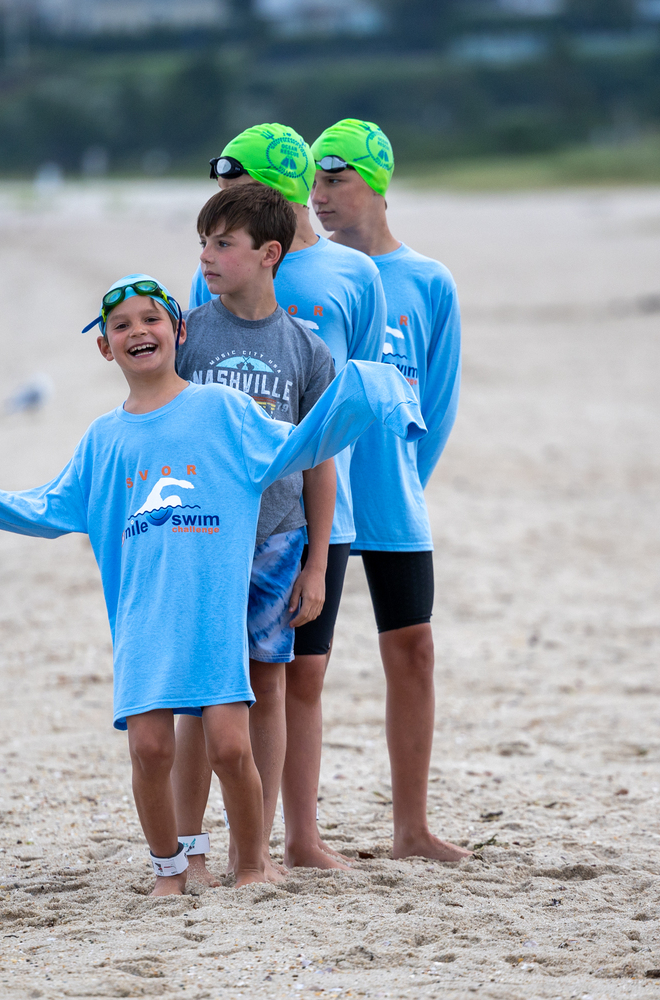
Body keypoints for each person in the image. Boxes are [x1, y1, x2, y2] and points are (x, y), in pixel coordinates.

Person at [0, 275, 424, 895]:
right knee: (149, 748)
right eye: (120, 326)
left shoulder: (223, 411)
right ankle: (170, 869)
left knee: (231, 749)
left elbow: (300, 446)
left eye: (151, 319)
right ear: (105, 349)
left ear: (178, 331)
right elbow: (41, 509)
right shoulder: (103, 440)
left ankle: (251, 864)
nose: (137, 332)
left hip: (212, 615)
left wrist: (365, 393)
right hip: (143, 621)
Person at [186, 123, 389, 873]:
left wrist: (334, 529)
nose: (219, 215)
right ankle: (216, 845)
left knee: (297, 674)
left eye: (236, 194)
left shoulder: (348, 275)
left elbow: (351, 405)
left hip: (305, 522)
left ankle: (284, 837)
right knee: (209, 689)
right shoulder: (212, 286)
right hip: (215, 525)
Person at [310, 118, 468, 862]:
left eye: (335, 180)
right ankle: (295, 835)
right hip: (317, 501)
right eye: (312, 182)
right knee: (300, 667)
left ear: (376, 181)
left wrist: (404, 478)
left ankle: (412, 829)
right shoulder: (309, 275)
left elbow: (433, 407)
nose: (320, 197)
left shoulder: (428, 281)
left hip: (394, 497)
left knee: (414, 652)